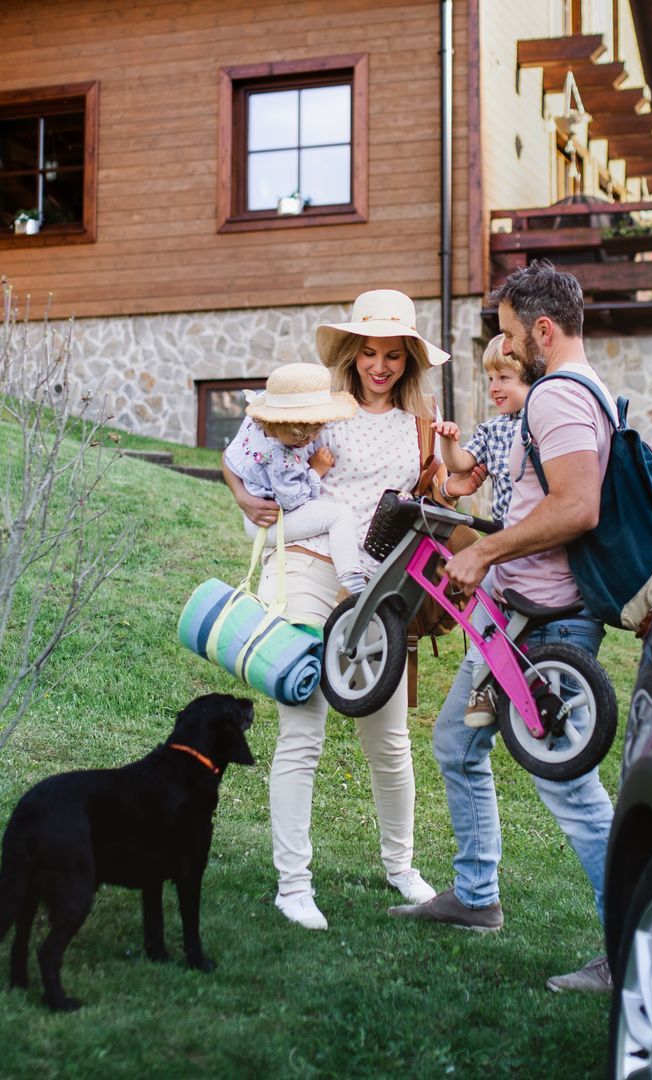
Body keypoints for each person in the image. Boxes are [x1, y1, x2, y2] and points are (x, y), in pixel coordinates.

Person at [387, 261, 618, 994]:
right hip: (511, 619)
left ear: (543, 330)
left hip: (550, 632)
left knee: (572, 790)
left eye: (513, 335)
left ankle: (634, 944)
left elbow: (579, 507)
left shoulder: (558, 398)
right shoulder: (571, 395)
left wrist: (483, 549)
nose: (509, 348)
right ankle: (477, 897)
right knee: (457, 742)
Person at [220, 289, 450, 932]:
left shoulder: (422, 417)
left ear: (409, 360)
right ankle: (293, 885)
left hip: (381, 587)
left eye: (394, 356)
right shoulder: (318, 403)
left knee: (390, 739)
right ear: (352, 352)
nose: (380, 366)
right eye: (370, 353)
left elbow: (432, 491)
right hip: (307, 564)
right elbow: (241, 454)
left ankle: (401, 867)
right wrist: (244, 498)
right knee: (304, 727)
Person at [430, 333, 530, 729]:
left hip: (534, 537)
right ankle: (485, 685)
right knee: (483, 608)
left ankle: (490, 682)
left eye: (505, 377)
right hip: (506, 539)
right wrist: (448, 443)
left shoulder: (543, 419)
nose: (494, 387)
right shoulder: (492, 430)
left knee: (496, 606)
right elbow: (461, 465)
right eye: (491, 378)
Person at [221, 362, 369, 593]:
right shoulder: (281, 460)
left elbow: (231, 455)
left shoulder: (254, 422)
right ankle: (352, 578)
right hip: (270, 522)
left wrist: (242, 493)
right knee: (339, 516)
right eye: (299, 436)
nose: (308, 441)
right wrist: (315, 470)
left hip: (253, 513)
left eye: (315, 432)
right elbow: (295, 501)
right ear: (274, 421)